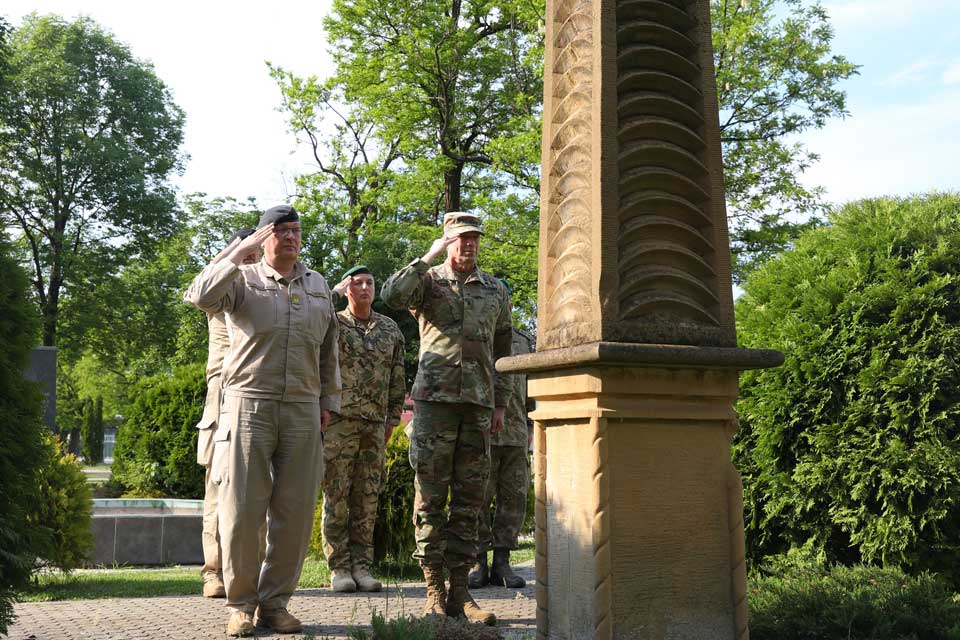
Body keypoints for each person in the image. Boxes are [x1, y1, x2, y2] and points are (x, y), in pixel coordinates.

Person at [184, 205, 340, 637]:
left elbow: (329, 348)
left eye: (295, 230)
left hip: (303, 408)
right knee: (241, 511)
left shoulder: (317, 284)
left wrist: (329, 398)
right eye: (279, 231)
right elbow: (198, 295)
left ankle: (276, 605)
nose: (290, 237)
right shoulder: (241, 279)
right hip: (248, 405)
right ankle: (241, 605)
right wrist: (238, 254)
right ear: (262, 237)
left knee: (294, 512)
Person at [381, 211, 512, 625]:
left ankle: (461, 593)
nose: (468, 244)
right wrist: (428, 256)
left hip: (477, 405)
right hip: (435, 404)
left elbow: (504, 347)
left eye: (474, 238)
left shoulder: (495, 290)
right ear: (448, 241)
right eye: (460, 238)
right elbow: (392, 296)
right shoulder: (428, 282)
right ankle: (433, 591)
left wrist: (501, 402)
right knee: (431, 499)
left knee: (471, 502)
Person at [321, 265, 406, 593]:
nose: (365, 288)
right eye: (357, 283)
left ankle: (362, 566)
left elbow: (398, 374)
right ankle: (339, 566)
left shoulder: (389, 329)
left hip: (374, 423)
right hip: (339, 421)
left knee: (367, 498)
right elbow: (312, 313)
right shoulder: (333, 323)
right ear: (347, 288)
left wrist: (392, 417)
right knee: (337, 494)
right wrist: (336, 292)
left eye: (370, 282)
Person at [195, 228, 266, 598]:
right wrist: (236, 252)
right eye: (248, 252)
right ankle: (213, 571)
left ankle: (249, 571)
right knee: (217, 486)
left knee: (256, 490)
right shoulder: (223, 285)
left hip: (258, 396)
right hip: (222, 394)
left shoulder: (267, 287)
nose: (253, 258)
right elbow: (201, 284)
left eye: (257, 253)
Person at [469, 304, 535, 590]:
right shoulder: (476, 334)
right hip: (482, 430)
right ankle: (477, 561)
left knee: (514, 499)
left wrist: (533, 425)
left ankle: (503, 563)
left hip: (517, 431)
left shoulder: (523, 340)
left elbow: (531, 384)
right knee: (477, 498)